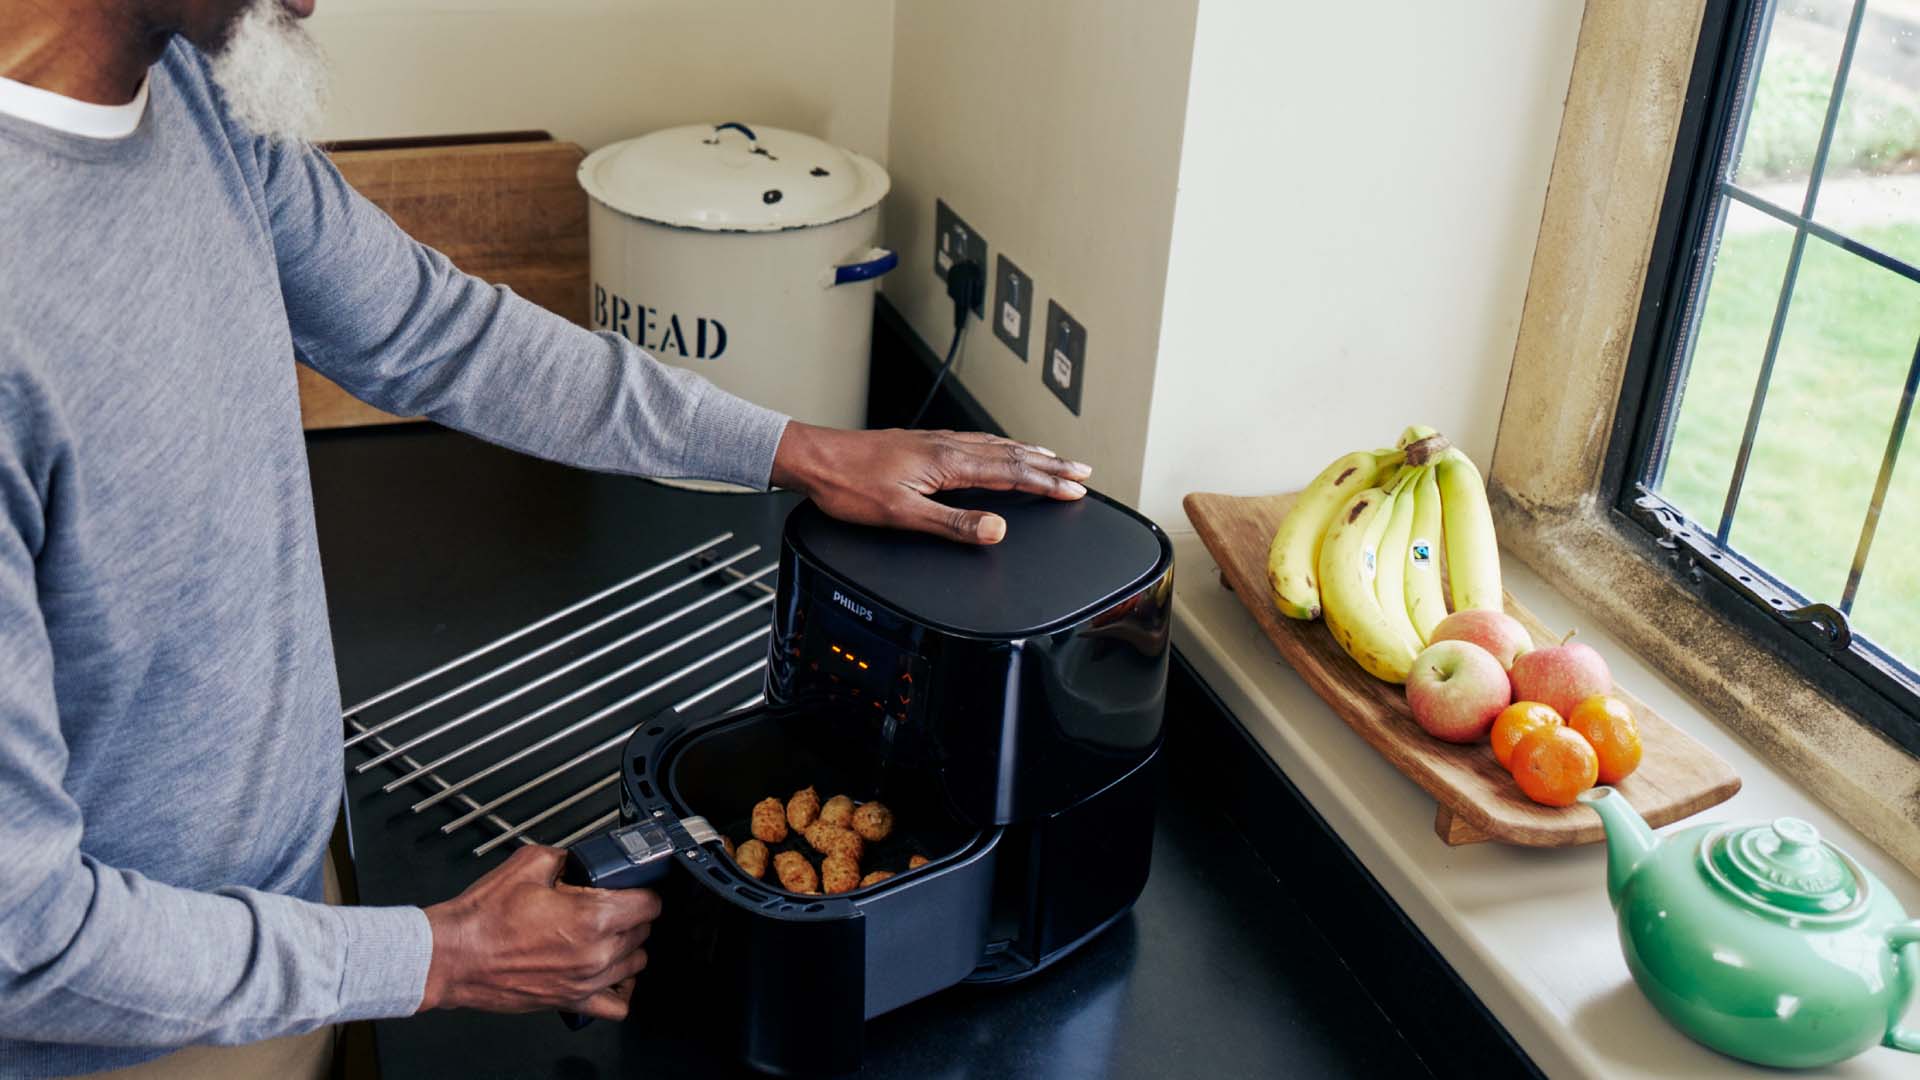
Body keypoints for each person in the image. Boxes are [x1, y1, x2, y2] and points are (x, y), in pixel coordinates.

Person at [0, 1, 1093, 1076]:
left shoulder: (188, 89)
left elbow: (435, 332)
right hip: (133, 1031)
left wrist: (800, 450)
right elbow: (24, 937)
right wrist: (441, 957)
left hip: (289, 909)